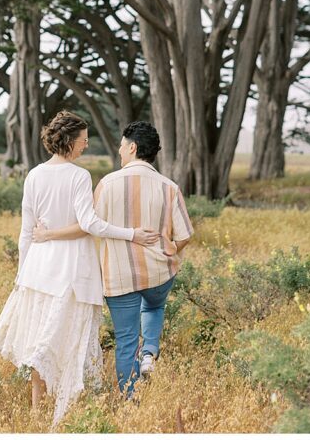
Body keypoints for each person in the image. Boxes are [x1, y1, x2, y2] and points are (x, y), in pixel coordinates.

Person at [0, 111, 159, 426]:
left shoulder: (34, 175)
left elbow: (26, 232)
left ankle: (40, 414)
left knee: (41, 341)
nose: (85, 147)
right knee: (67, 343)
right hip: (71, 273)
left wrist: (22, 274)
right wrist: (133, 233)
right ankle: (60, 417)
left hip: (38, 271)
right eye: (83, 141)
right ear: (68, 141)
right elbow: (89, 224)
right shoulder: (78, 176)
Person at [32, 121, 194, 398]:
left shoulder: (107, 184)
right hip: (158, 273)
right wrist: (170, 251)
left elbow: (90, 225)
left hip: (119, 277)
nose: (119, 151)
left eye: (121, 146)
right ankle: (150, 352)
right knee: (154, 306)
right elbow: (185, 235)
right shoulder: (170, 187)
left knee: (126, 341)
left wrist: (48, 235)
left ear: (132, 147)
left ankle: (131, 400)